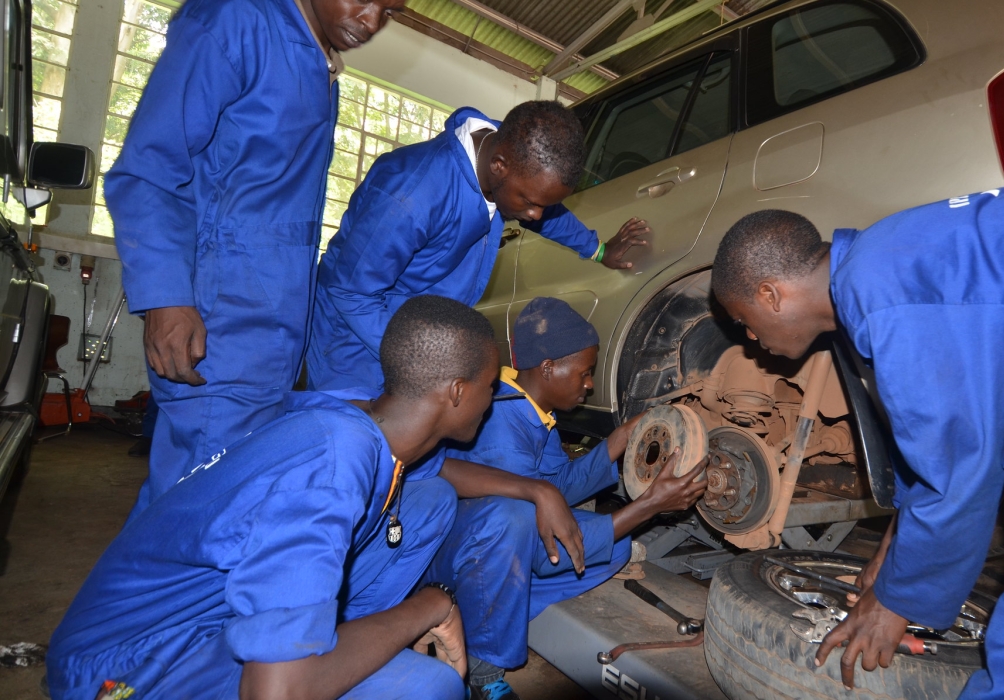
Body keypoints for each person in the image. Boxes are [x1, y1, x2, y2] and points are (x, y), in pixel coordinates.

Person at [709, 185, 1004, 698]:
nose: (748, 337)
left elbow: (961, 469)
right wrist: (897, 548)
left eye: (744, 321)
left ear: (770, 294)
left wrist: (899, 599)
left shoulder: (885, 290)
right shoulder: (884, 273)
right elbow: (945, 440)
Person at [46, 296, 586, 700]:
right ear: (457, 392)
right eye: (492, 386)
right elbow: (276, 692)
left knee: (430, 502)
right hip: (125, 670)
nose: (494, 400)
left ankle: (331, 642)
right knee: (426, 688)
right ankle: (328, 649)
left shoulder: (360, 423)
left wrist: (538, 489)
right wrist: (431, 606)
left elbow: (442, 468)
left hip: (195, 621)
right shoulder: (330, 471)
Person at [109, 0, 405, 511]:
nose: (373, 20)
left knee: (216, 508)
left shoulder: (316, 57)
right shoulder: (234, 22)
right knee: (193, 511)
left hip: (269, 343)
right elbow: (150, 169)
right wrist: (165, 298)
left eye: (392, 11)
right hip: (217, 333)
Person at [427, 297, 708, 700]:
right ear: (548, 368)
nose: (590, 384)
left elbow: (558, 485)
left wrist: (614, 444)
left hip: (510, 533)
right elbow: (536, 539)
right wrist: (647, 506)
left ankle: (495, 610)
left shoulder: (531, 408)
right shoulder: (501, 427)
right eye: (585, 373)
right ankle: (485, 662)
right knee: (559, 534)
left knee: (616, 547)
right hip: (474, 547)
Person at [306, 100, 652, 393]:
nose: (534, 215)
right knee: (360, 442)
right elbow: (351, 293)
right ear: (498, 166)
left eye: (541, 204)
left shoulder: (513, 158)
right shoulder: (411, 195)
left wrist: (599, 250)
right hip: (354, 339)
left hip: (420, 329)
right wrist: (420, 362)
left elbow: (546, 212)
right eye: (529, 202)